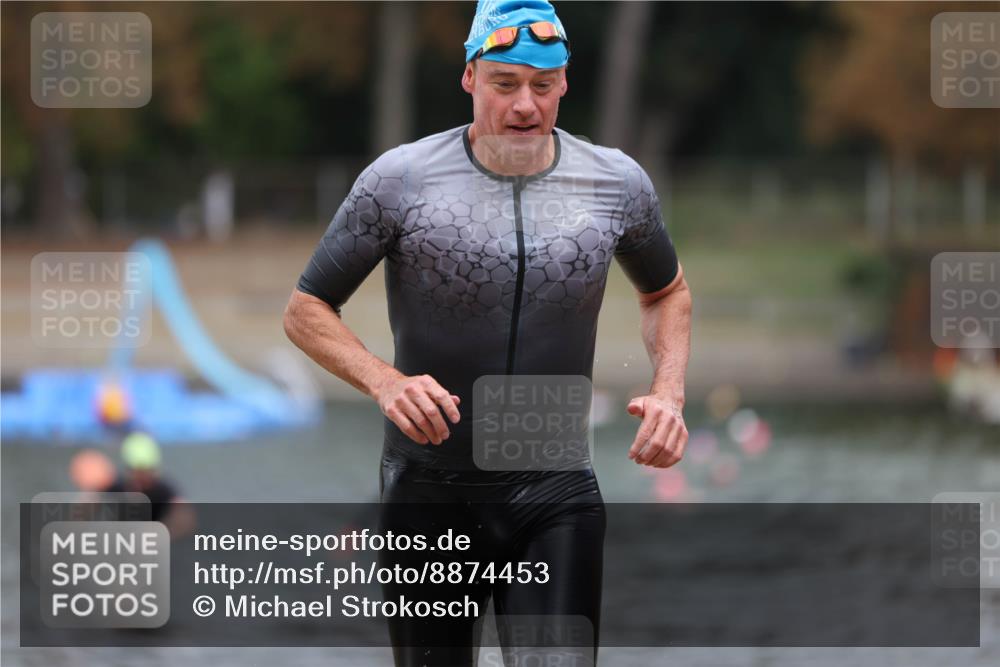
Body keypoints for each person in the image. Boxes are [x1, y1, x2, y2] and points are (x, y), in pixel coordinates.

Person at [284, 1, 691, 663]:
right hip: (429, 493)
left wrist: (669, 390)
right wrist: (384, 381)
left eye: (542, 85)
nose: (525, 105)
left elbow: (668, 291)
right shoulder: (401, 180)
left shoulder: (616, 184)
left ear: (565, 83)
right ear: (470, 78)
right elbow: (306, 309)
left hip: (555, 490)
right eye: (505, 84)